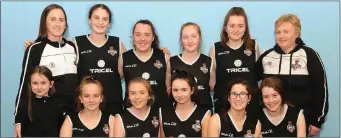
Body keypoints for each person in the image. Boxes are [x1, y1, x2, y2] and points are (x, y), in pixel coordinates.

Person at [23, 4, 171, 115]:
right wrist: (36, 43)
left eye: (105, 19)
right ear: (89, 20)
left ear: (109, 23)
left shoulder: (117, 43)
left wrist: (160, 52)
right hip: (86, 105)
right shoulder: (76, 43)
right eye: (96, 18)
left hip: (113, 105)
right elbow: (56, 46)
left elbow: (133, 64)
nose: (100, 22)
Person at [255, 14, 328, 137]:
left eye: (286, 31)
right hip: (269, 121)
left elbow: (321, 90)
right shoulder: (266, 56)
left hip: (302, 120)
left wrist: (317, 121)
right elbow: (250, 81)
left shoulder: (309, 55)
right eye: (278, 32)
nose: (281, 36)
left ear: (297, 33)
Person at [14, 4, 78, 136]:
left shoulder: (72, 47)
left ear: (66, 24)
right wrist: (18, 120)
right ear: (45, 23)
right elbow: (24, 85)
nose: (58, 24)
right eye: (52, 19)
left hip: (70, 115)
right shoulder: (35, 49)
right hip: (44, 118)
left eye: (61, 20)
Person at [208, 7, 261, 115]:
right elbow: (212, 83)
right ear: (225, 28)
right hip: (224, 109)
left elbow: (258, 77)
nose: (236, 30)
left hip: (250, 109)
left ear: (246, 28)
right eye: (232, 26)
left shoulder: (253, 46)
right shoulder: (215, 49)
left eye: (240, 26)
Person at [119, 19, 171, 109]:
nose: (142, 39)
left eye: (147, 35)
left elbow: (169, 88)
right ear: (133, 36)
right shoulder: (123, 58)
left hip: (159, 114)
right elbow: (113, 84)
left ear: (153, 37)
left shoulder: (164, 57)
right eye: (138, 34)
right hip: (132, 116)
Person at [170, 22, 214, 111]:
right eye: (185, 37)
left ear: (200, 38)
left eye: (194, 36)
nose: (190, 41)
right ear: (181, 40)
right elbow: (168, 89)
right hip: (179, 115)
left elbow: (212, 87)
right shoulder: (171, 62)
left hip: (204, 114)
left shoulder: (209, 62)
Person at [14, 66, 66, 137]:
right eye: (35, 83)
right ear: (30, 84)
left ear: (51, 84)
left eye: (43, 83)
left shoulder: (58, 105)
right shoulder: (25, 105)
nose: (39, 87)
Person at [160, 70, 211, 137]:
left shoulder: (205, 114)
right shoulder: (163, 112)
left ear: (192, 90)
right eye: (175, 90)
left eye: (184, 90)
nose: (179, 94)